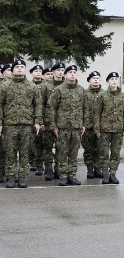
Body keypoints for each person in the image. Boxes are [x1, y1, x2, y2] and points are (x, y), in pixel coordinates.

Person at [0, 59, 43, 188]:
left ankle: (22, 176)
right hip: (9, 124)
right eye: (17, 67)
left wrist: (37, 121)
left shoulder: (32, 86)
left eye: (22, 67)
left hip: (26, 124)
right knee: (10, 151)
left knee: (25, 152)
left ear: (25, 69)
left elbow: (38, 105)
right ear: (12, 70)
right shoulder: (5, 86)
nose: (19, 69)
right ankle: (11, 177)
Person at [47, 64, 87, 186]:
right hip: (62, 127)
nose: (72, 74)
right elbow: (51, 108)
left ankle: (72, 175)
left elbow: (86, 108)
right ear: (65, 75)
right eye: (70, 72)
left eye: (74, 72)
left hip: (76, 127)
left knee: (74, 153)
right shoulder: (59, 90)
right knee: (62, 152)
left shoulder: (81, 90)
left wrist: (84, 124)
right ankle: (63, 175)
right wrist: (54, 125)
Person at [94, 72, 124, 184]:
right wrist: (97, 129)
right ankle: (105, 174)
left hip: (118, 129)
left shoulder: (123, 96)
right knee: (104, 152)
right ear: (108, 81)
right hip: (105, 128)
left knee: (115, 153)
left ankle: (113, 173)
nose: (114, 81)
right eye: (112, 79)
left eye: (116, 79)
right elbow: (97, 113)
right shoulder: (102, 95)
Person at [82, 71, 103, 180]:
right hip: (88, 126)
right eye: (93, 78)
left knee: (99, 148)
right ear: (89, 80)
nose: (96, 80)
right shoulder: (84, 93)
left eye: (98, 78)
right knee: (88, 149)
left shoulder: (104, 93)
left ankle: (98, 168)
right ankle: (90, 169)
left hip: (101, 126)